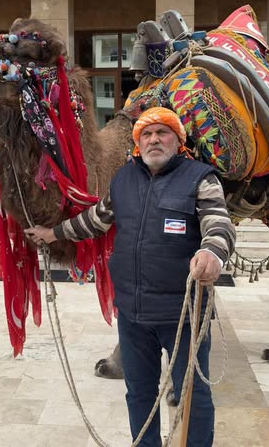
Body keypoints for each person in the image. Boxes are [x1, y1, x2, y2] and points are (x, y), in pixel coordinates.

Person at [25, 107, 235, 447]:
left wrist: (212, 252)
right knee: (138, 394)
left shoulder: (201, 178)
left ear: (178, 140)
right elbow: (95, 220)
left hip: (183, 315)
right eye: (146, 134)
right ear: (137, 143)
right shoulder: (123, 180)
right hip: (133, 315)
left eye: (162, 132)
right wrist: (54, 233)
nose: (154, 140)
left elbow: (218, 223)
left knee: (192, 397)